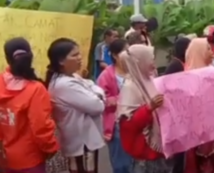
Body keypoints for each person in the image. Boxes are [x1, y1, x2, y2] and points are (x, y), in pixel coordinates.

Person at [46, 38, 106, 173]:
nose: (80, 58)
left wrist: (94, 90)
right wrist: (97, 93)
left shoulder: (72, 77)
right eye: (74, 55)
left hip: (83, 141)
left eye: (79, 53)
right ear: (61, 61)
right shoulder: (65, 85)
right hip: (81, 143)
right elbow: (97, 106)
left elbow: (91, 85)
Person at [0, 38, 58, 173]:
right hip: (30, 159)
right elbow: (41, 126)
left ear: (8, 59)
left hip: (5, 157)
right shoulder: (36, 89)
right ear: (30, 57)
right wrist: (51, 148)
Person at [117, 44, 171, 172]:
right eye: (150, 59)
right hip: (145, 157)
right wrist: (149, 108)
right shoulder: (130, 88)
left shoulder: (149, 80)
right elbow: (127, 126)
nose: (153, 63)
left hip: (158, 153)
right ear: (140, 62)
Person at [184, 38, 214, 173]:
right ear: (199, 52)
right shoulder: (186, 77)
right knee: (202, 163)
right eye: (208, 49)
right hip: (199, 131)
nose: (212, 52)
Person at [96, 39, 133, 173]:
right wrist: (125, 98)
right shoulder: (106, 75)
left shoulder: (135, 71)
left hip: (136, 123)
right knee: (120, 164)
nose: (129, 54)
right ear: (115, 55)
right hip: (116, 124)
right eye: (125, 51)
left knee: (135, 162)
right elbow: (101, 99)